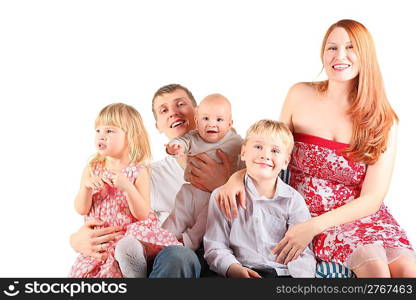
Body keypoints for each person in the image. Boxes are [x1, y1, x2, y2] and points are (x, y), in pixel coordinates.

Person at [215, 20, 416, 277]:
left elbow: (372, 199)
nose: (339, 56)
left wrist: (312, 228)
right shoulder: (300, 94)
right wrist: (237, 177)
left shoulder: (384, 119)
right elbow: (271, 148)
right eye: (331, 47)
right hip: (307, 211)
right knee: (375, 268)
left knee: (407, 270)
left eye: (350, 47)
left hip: (359, 214)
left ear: (365, 55)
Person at [70, 84, 232, 277]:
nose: (172, 113)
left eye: (180, 104)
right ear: (158, 126)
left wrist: (225, 183)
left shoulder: (239, 154)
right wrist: (75, 239)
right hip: (178, 255)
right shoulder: (150, 173)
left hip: (229, 251)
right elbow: (132, 218)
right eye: (163, 110)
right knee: (176, 256)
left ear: (198, 112)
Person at [69, 103, 181, 278]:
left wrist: (127, 187)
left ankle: (135, 271)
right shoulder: (92, 168)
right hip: (101, 240)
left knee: (127, 247)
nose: (101, 136)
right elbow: (81, 209)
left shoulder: (138, 171)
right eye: (98, 130)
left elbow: (143, 214)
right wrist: (86, 188)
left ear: (130, 137)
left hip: (127, 234)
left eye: (110, 131)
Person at [204, 120, 316, 278]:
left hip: (280, 273)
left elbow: (302, 253)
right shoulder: (222, 195)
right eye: (258, 147)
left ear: (285, 162)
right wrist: (233, 268)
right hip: (237, 269)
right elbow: (215, 246)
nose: (265, 155)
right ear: (243, 152)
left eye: (275, 151)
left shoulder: (293, 201)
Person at [163, 94, 243, 251]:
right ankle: (161, 237)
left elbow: (248, 157)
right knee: (177, 215)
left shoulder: (236, 142)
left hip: (214, 196)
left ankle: (190, 241)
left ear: (230, 123)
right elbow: (182, 142)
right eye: (205, 119)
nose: (211, 124)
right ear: (197, 121)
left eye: (219, 120)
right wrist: (173, 147)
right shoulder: (193, 138)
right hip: (191, 190)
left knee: (207, 218)